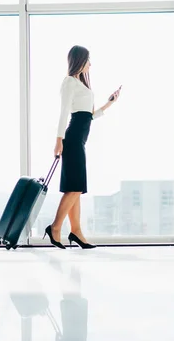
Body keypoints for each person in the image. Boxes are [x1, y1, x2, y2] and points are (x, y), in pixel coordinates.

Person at [43, 45, 122, 250]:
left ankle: (76, 232)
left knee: (75, 188)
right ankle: (55, 228)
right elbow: (63, 113)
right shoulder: (69, 82)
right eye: (88, 60)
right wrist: (58, 140)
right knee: (75, 187)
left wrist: (109, 103)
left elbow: (89, 116)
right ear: (79, 60)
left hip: (80, 140)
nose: (90, 64)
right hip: (72, 139)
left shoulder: (82, 84)